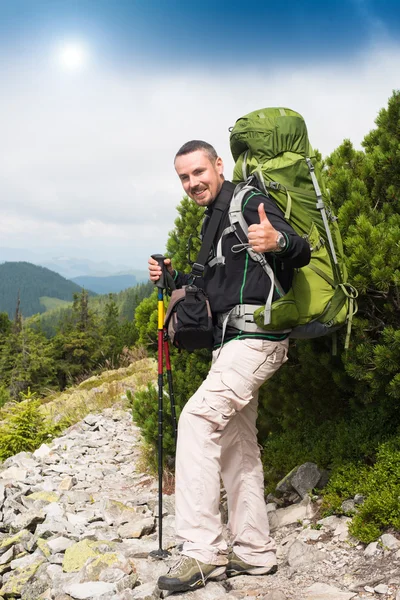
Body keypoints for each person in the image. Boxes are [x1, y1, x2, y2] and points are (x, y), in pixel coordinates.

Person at [148, 140, 310, 594]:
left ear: (218, 165)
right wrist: (175, 279)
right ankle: (254, 552)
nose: (193, 182)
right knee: (238, 447)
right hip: (231, 344)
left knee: (197, 420)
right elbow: (214, 289)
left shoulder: (249, 200)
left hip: (256, 340)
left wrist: (279, 241)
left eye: (199, 171)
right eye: (184, 177)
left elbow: (299, 249)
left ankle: (201, 552)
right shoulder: (214, 219)